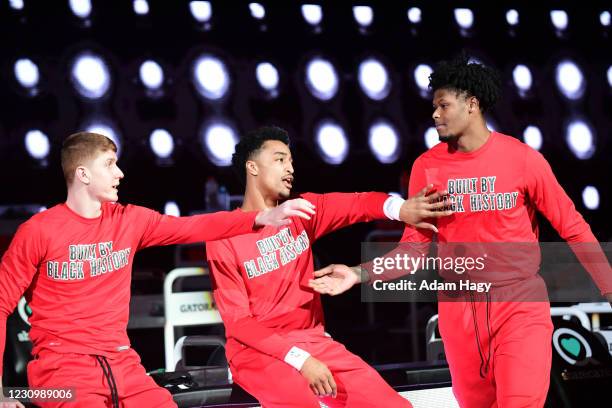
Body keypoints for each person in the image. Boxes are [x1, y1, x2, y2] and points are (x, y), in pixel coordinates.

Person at [309, 55, 612, 407]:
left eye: (443, 105)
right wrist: (358, 273)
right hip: (459, 312)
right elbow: (412, 251)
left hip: (518, 306)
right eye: (433, 106)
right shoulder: (428, 167)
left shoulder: (522, 159)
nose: (435, 114)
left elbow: (573, 228)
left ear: (472, 104)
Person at [0, 131, 317, 408]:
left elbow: (193, 227)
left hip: (122, 363)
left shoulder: (129, 220)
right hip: (61, 372)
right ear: (82, 174)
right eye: (110, 164)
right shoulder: (39, 231)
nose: (120, 173)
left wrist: (257, 218)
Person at [205, 126, 452, 408]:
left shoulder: (302, 211)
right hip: (257, 353)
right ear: (253, 167)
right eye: (280, 159)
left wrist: (402, 209)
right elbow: (238, 323)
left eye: (292, 161)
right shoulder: (223, 235)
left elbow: (360, 203)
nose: (290, 168)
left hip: (313, 342)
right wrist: (301, 360)